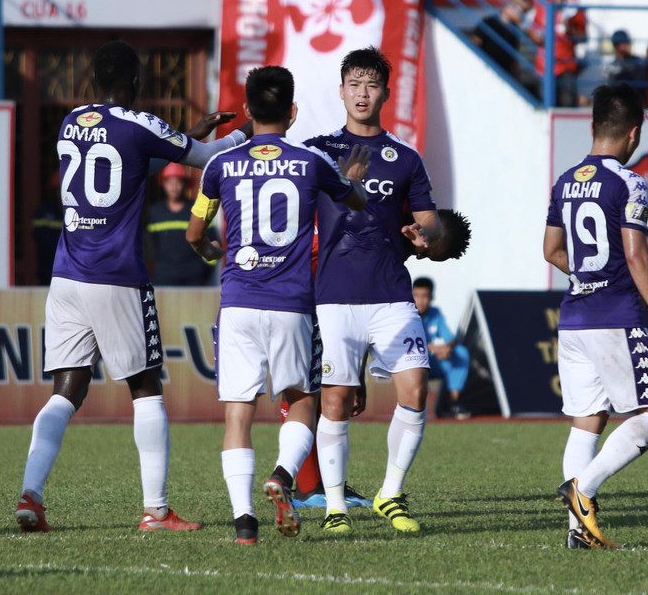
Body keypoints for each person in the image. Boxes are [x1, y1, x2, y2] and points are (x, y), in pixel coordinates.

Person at [14, 40, 248, 534]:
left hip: (67, 273)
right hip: (116, 275)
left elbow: (123, 153)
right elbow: (203, 156)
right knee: (145, 389)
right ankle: (157, 511)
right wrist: (250, 131)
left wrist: (184, 134)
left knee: (66, 390)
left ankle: (30, 496)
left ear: (92, 81)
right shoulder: (140, 123)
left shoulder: (70, 121)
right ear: (137, 82)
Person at [186, 65, 368, 545]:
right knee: (301, 401)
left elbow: (195, 235)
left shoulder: (219, 165)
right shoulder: (311, 162)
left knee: (237, 413)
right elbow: (355, 203)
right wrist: (353, 185)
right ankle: (283, 475)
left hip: (238, 302)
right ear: (292, 112)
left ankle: (244, 521)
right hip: (292, 303)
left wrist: (210, 251)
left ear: (246, 110)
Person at [305, 46, 442, 534]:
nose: (362, 93)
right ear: (341, 90)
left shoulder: (405, 158)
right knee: (336, 400)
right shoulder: (316, 150)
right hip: (335, 292)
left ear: (385, 92)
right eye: (354, 84)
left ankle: (391, 492)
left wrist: (427, 239)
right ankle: (335, 506)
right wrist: (346, 184)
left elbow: (429, 223)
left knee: (415, 387)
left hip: (390, 291)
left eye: (372, 85)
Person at [543, 83, 648, 549]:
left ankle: (576, 531)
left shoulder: (565, 181)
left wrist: (585, 273)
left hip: (574, 317)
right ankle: (583, 490)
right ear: (634, 133)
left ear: (593, 126)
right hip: (616, 315)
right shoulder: (630, 181)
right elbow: (636, 254)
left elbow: (550, 250)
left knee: (588, 420)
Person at [293, 207, 473, 508]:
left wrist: (358, 375)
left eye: (428, 257)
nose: (420, 254)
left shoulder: (396, 247)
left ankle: (322, 486)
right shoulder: (393, 211)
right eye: (430, 249)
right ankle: (307, 486)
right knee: (304, 389)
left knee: (323, 388)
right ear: (431, 227)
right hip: (307, 279)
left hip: (328, 288)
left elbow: (363, 316)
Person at [145, 162, 215, 287]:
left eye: (178, 182)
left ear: (184, 185)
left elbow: (213, 242)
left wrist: (206, 272)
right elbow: (148, 245)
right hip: (163, 278)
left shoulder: (196, 210)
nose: (174, 187)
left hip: (194, 279)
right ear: (163, 184)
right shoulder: (155, 212)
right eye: (170, 182)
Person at [412, 276, 471, 420]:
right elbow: (408, 344)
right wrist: (435, 349)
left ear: (432, 297)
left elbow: (450, 338)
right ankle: (414, 407)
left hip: (431, 362)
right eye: (416, 296)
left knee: (461, 353)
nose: (420, 300)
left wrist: (447, 349)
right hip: (411, 363)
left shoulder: (435, 313)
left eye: (425, 296)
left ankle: (453, 403)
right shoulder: (407, 314)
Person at [528, 0, 587, 107]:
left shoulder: (574, 10)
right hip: (544, 67)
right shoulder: (542, 8)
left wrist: (569, 26)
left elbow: (583, 37)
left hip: (566, 68)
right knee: (546, 107)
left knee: (567, 107)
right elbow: (532, 32)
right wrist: (535, 37)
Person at [471, 0, 533, 77]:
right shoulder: (489, 23)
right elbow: (473, 47)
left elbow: (513, 60)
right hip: (484, 73)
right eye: (523, 11)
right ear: (513, 5)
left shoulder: (515, 31)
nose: (523, 16)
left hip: (503, 77)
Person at [605, 29, 648, 97]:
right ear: (615, 46)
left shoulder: (638, 62)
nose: (624, 46)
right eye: (619, 44)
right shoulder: (611, 67)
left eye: (626, 43)